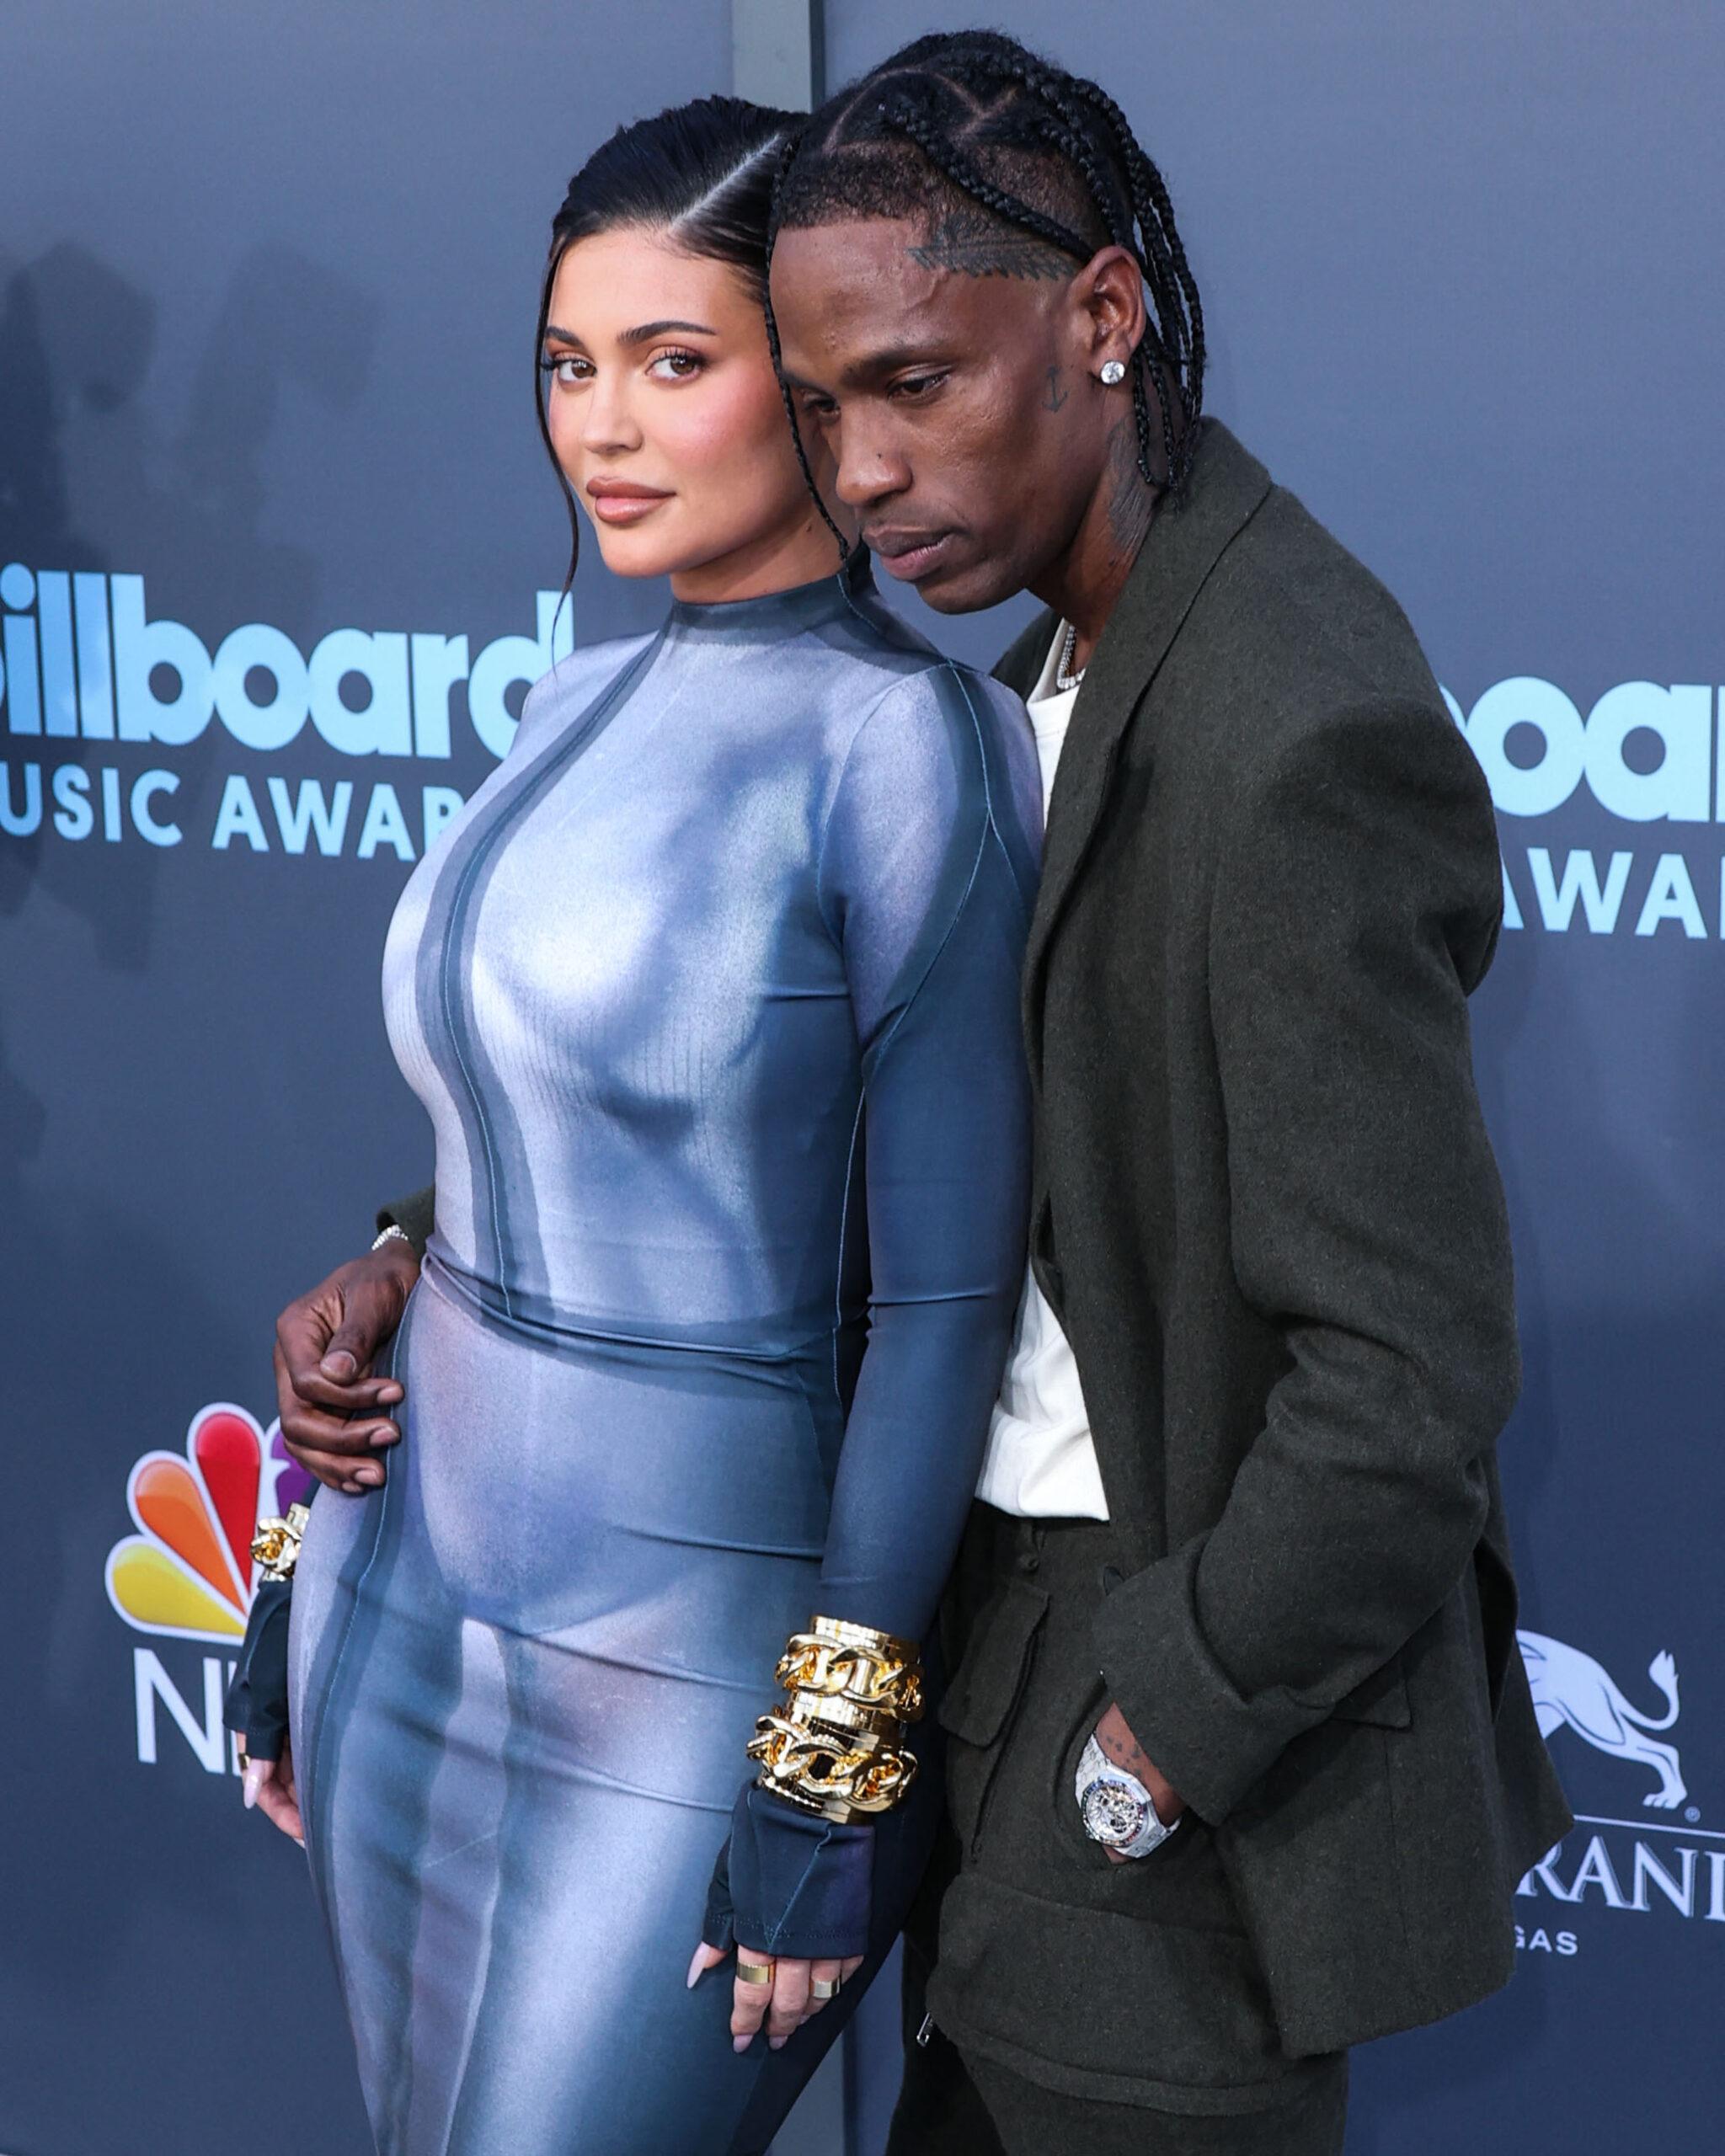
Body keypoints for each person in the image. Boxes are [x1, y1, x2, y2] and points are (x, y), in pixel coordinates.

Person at [273, 30, 1573, 2156]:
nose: (865, 472)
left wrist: (1151, 1724)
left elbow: (1407, 1376)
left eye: (908, 388)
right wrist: (420, 1256)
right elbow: (819, 1146)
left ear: (1100, 319)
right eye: (820, 403)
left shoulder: (1286, 721)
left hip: (1142, 1688)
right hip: (959, 1644)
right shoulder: (1045, 670)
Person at [226, 93, 1039, 2156]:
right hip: (398, 1610)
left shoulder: (900, 743)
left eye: (672, 364)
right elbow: (521, 1139)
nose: (601, 426)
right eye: (568, 367)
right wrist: (371, 1328)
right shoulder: (563, 699)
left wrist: (834, 1755)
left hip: (694, 1686)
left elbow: (943, 1307)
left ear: (812, 382)